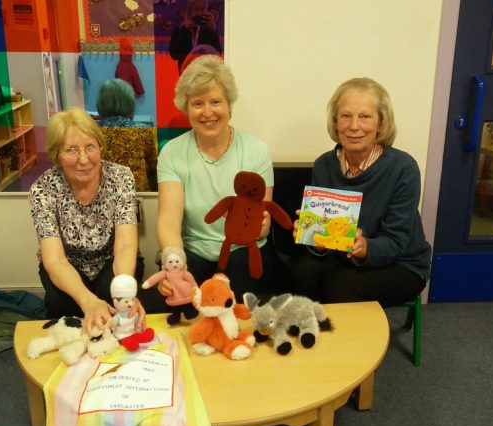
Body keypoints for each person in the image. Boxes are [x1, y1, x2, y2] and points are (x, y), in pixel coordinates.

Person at [291, 77, 431, 308]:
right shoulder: (324, 165)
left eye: (365, 116)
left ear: (381, 123)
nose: (354, 126)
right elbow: (325, 236)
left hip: (401, 263)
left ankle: (343, 333)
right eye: (346, 116)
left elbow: (397, 242)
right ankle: (312, 328)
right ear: (335, 122)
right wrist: (315, 241)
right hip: (343, 256)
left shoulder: (403, 168)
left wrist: (366, 248)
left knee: (343, 283)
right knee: (302, 271)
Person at [156, 55, 276, 301]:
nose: (207, 112)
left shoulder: (256, 150)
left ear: (229, 105)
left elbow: (262, 224)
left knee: (239, 293)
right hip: (193, 251)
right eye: (197, 103)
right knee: (178, 294)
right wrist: (173, 261)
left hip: (244, 250)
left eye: (215, 102)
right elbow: (169, 221)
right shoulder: (171, 153)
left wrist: (261, 228)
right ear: (186, 108)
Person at [29, 107, 144, 333]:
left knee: (115, 300)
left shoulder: (121, 177)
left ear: (100, 148)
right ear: (57, 154)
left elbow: (126, 244)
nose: (83, 159)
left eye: (90, 147)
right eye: (72, 150)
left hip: (112, 261)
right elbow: (55, 260)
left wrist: (125, 292)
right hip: (68, 264)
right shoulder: (42, 189)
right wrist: (88, 302)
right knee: (62, 306)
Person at [96, 78, 158, 191]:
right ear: (130, 104)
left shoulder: (92, 131)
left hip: (102, 194)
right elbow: (154, 169)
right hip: (138, 194)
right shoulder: (143, 130)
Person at [169, 0, 223, 73]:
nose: (200, 13)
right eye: (197, 9)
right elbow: (174, 55)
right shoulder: (180, 29)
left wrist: (213, 29)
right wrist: (184, 30)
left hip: (205, 73)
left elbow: (218, 54)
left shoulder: (208, 29)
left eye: (203, 9)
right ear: (190, 10)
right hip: (186, 74)